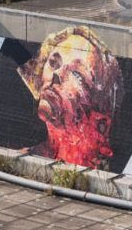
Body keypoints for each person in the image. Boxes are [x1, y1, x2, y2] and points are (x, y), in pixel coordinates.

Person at [17, 26, 123, 169]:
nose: (57, 73)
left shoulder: (98, 175)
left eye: (76, 74)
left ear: (100, 118)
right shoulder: (23, 159)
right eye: (53, 62)